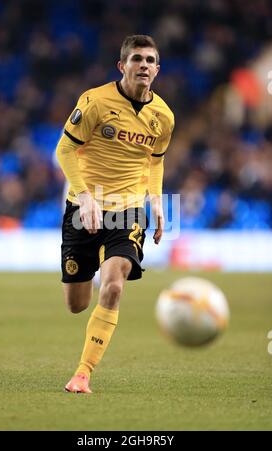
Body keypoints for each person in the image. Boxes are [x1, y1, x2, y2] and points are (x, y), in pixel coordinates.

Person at [56, 35, 174, 393]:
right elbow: (64, 150)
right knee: (77, 304)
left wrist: (156, 200)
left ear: (157, 69)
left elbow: (156, 160)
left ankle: (82, 373)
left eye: (150, 60)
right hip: (84, 209)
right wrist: (86, 197)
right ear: (122, 66)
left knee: (114, 286)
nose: (144, 65)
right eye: (136, 59)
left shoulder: (163, 117)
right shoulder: (94, 102)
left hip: (127, 211)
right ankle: (90, 266)